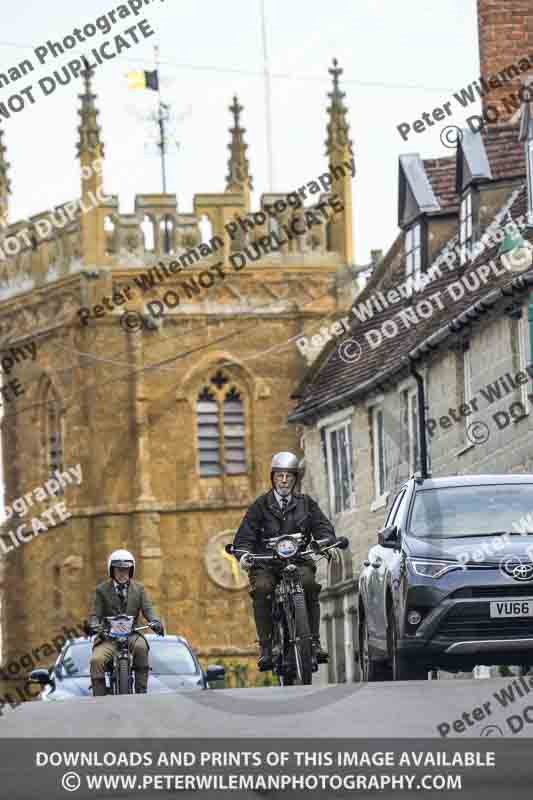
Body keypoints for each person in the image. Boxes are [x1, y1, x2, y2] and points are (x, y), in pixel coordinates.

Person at [233, 452, 336, 671]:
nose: (284, 480)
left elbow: (323, 528)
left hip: (298, 560)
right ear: (272, 478)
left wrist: (326, 543)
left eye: (289, 476)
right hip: (267, 564)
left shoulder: (306, 504)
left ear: (295, 479)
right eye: (279, 475)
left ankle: (314, 642)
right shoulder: (260, 506)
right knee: (262, 588)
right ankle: (266, 647)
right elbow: (244, 537)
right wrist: (243, 555)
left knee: (309, 584)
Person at [88, 549, 164, 696]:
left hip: (132, 634)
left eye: (126, 569)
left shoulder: (139, 589)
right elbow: (95, 614)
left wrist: (155, 621)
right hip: (108, 637)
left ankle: (141, 691)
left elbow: (148, 608)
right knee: (96, 660)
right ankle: (99, 697)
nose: (122, 573)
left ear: (131, 570)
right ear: (112, 570)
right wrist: (93, 624)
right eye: (119, 569)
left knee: (142, 648)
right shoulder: (101, 590)